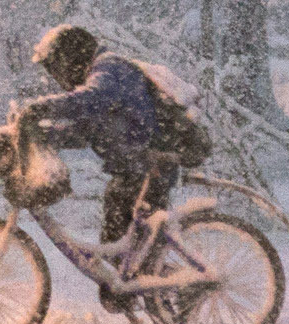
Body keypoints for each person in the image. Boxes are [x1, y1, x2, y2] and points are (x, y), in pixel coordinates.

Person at [18, 23, 187, 259]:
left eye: (56, 68)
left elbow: (92, 99)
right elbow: (88, 129)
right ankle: (128, 285)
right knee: (123, 243)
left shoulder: (108, 69)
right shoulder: (105, 71)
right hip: (137, 168)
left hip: (148, 167)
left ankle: (134, 287)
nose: (57, 77)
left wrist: (44, 107)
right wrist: (48, 134)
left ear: (70, 58)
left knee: (122, 244)